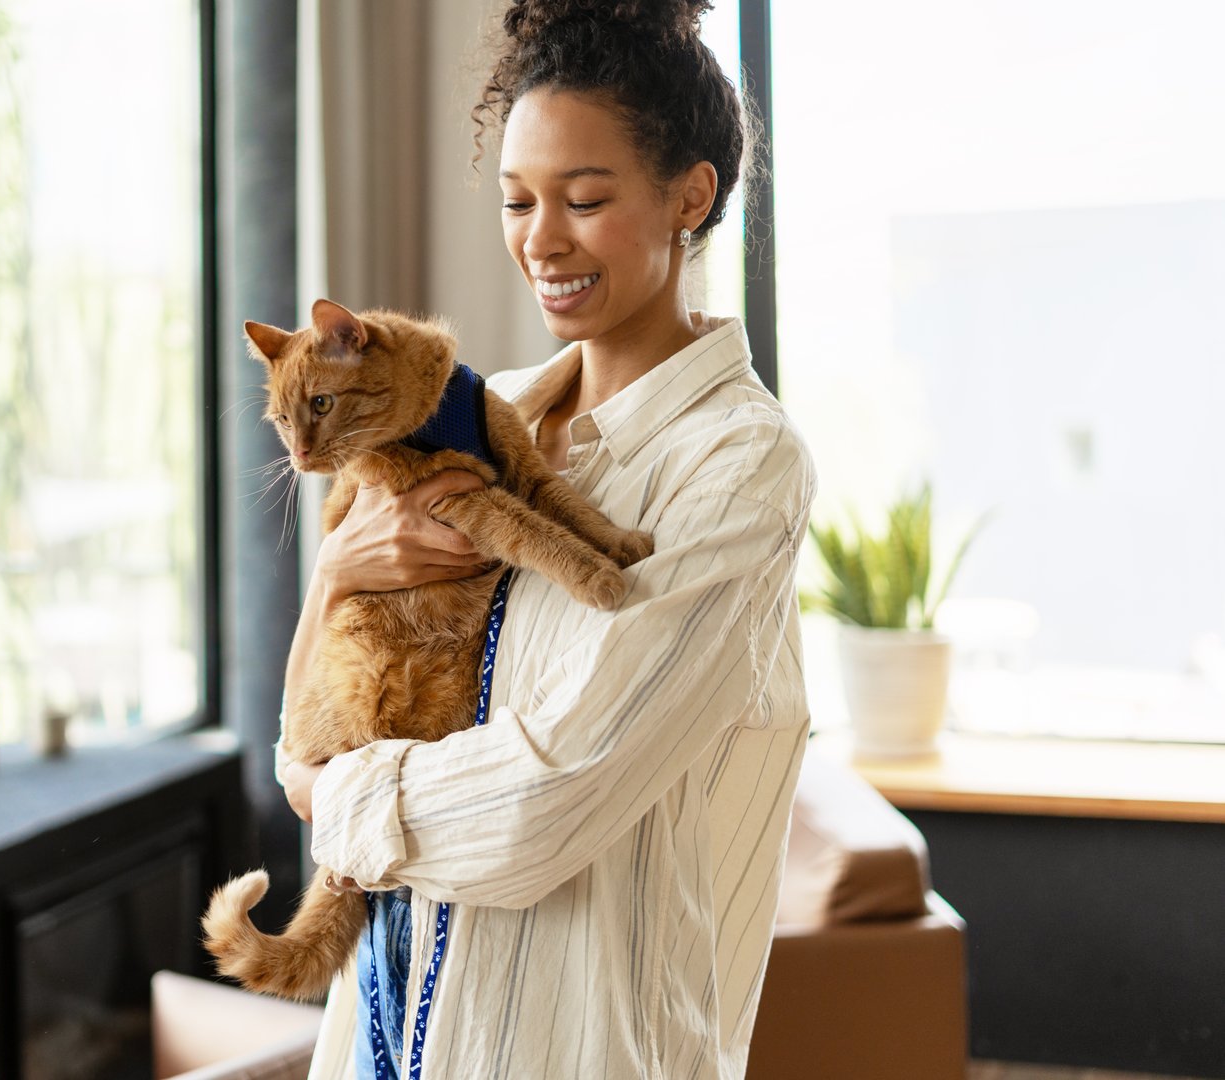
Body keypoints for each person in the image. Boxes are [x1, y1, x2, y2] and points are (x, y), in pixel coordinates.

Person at [276, 1, 818, 1076]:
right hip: (383, 1017)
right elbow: (317, 711)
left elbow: (547, 800)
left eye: (585, 198)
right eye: (519, 201)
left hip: (560, 1046)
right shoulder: (485, 412)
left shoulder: (740, 464)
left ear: (689, 196)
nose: (542, 239)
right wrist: (333, 571)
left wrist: (327, 796)